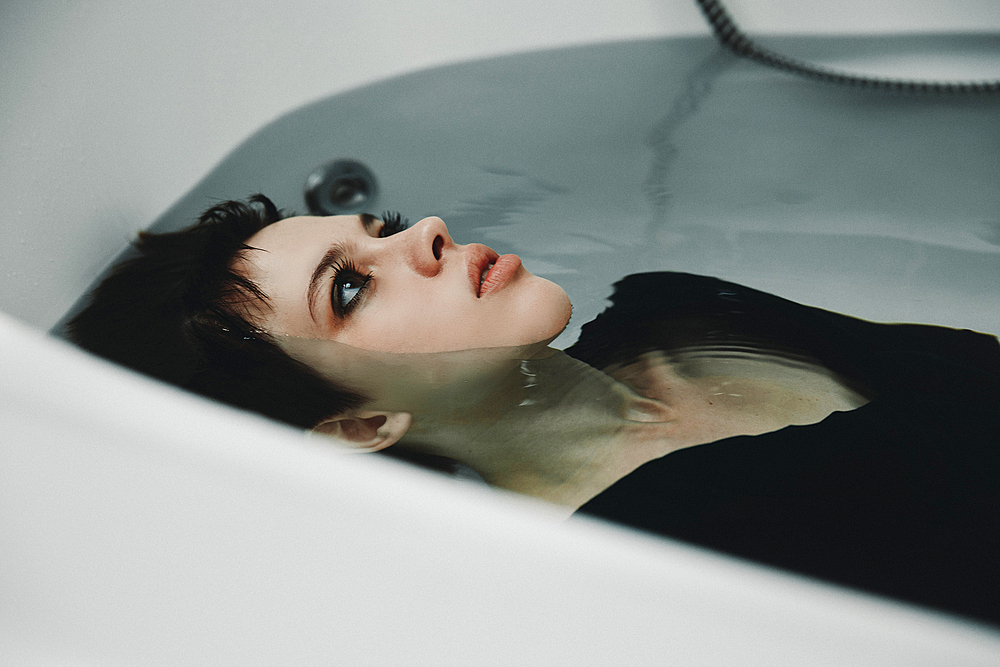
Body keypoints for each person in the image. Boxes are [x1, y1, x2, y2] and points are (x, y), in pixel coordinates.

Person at [68, 195, 1000, 626]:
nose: (424, 232)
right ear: (358, 424)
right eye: (350, 289)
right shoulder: (634, 571)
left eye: (379, 231)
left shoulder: (671, 304)